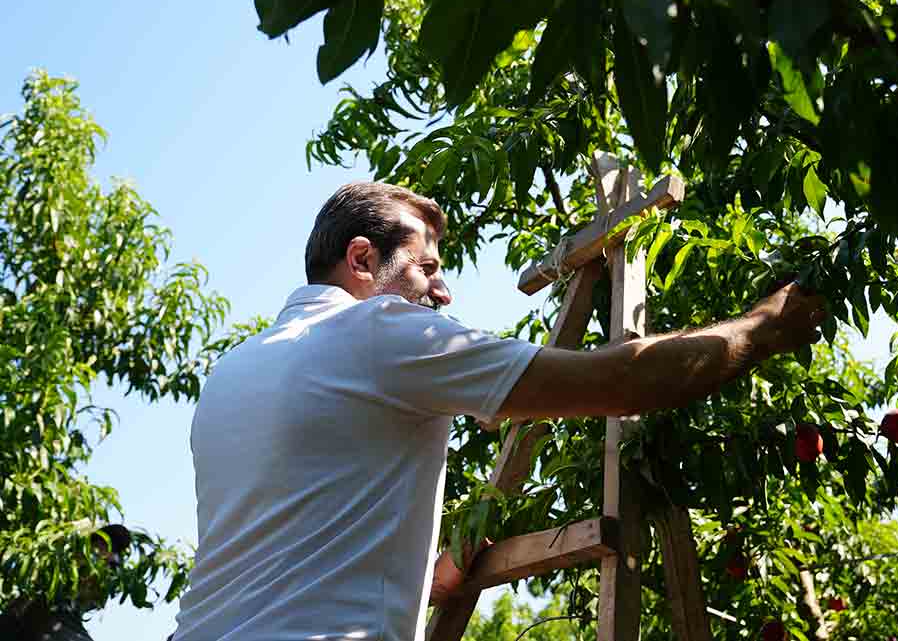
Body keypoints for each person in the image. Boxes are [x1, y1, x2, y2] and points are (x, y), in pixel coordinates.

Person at [171, 181, 828, 641]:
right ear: (362, 259)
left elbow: (297, 562)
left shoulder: (233, 373)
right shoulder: (377, 332)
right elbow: (624, 382)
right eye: (426, 265)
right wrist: (764, 324)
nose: (442, 286)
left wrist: (426, 574)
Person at [0, 525, 131, 641]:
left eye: (111, 567)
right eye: (93, 557)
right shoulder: (32, 607)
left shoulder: (74, 631)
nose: (100, 574)